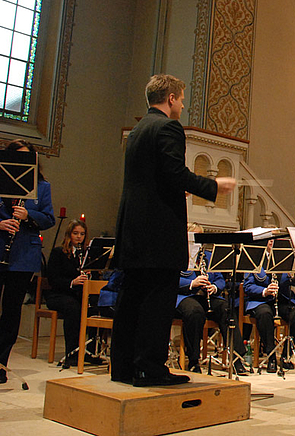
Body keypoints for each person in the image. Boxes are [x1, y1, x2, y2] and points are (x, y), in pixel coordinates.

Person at [110, 74, 236, 387]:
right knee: (156, 300)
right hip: (158, 231)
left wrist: (175, 188)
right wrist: (212, 185)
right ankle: (150, 369)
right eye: (180, 98)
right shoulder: (168, 127)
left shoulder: (139, 128)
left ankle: (123, 367)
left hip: (133, 227)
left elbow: (155, 177)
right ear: (170, 98)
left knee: (132, 298)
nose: (182, 104)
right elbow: (174, 171)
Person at [0, 139, 55, 384]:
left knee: (12, 310)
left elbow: (48, 218)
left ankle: (1, 362)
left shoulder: (41, 186)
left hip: (23, 255)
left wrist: (28, 215)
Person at [176, 250, 248, 375]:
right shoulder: (179, 255)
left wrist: (214, 287)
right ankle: (193, 360)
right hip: (186, 296)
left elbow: (220, 279)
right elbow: (172, 279)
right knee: (195, 312)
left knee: (226, 308)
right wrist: (192, 283)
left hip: (207, 296)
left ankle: (236, 358)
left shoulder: (208, 256)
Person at [45, 220, 102, 368]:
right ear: (69, 234)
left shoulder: (87, 256)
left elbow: (95, 279)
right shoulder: (59, 252)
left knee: (98, 308)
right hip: (59, 294)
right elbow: (53, 279)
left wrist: (91, 274)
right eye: (75, 233)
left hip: (78, 296)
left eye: (82, 234)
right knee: (73, 308)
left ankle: (91, 352)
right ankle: (72, 353)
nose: (79, 237)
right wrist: (73, 282)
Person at [243, 271, 295, 373]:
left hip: (283, 300)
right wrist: (265, 291)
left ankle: (286, 355)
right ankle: (271, 356)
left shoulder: (287, 259)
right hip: (261, 300)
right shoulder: (256, 259)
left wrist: (294, 276)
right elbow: (248, 286)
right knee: (264, 315)